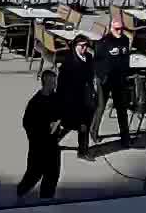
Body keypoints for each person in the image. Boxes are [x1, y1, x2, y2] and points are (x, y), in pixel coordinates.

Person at [16, 69, 65, 200]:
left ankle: (46, 199)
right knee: (34, 174)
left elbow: (62, 115)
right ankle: (20, 193)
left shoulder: (56, 99)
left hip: (52, 144)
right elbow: (27, 124)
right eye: (52, 82)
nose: (55, 85)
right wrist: (44, 129)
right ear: (45, 83)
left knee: (53, 174)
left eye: (55, 82)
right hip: (38, 146)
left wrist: (58, 125)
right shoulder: (35, 102)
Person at [93, 18, 136, 151]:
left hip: (119, 80)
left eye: (122, 29)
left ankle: (125, 137)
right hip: (105, 80)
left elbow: (125, 58)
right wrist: (101, 77)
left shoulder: (124, 40)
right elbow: (96, 61)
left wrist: (126, 74)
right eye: (117, 29)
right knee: (100, 107)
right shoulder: (104, 42)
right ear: (111, 28)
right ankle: (93, 132)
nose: (120, 31)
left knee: (121, 109)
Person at [56, 34, 99, 155]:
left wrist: (93, 90)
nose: (85, 49)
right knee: (71, 124)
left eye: (86, 46)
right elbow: (61, 83)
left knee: (83, 125)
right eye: (82, 46)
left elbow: (91, 77)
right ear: (75, 45)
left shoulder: (89, 58)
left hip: (86, 98)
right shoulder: (68, 61)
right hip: (72, 99)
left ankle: (83, 151)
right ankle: (53, 142)